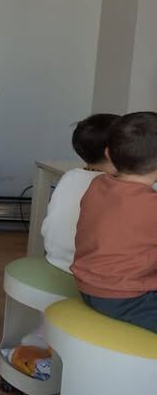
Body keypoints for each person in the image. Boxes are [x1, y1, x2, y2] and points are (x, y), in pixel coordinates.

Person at [71, 111, 157, 333]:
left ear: (108, 153)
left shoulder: (97, 184)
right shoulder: (150, 205)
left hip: (88, 286)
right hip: (127, 299)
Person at [41, 113, 119, 272]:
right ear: (112, 152)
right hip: (91, 269)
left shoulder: (70, 176)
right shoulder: (120, 185)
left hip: (55, 257)